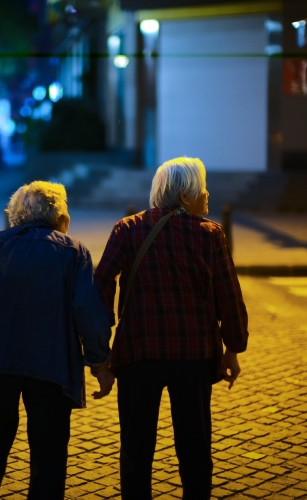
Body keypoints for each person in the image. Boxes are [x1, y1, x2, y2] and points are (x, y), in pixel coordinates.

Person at [0, 181, 114, 499]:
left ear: (15, 217)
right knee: (49, 456)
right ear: (61, 219)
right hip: (53, 367)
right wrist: (99, 364)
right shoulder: (74, 252)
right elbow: (87, 312)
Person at [94, 157, 249, 500]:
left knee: (136, 450)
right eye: (200, 188)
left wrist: (100, 353)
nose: (207, 194)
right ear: (184, 196)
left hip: (138, 353)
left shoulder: (128, 229)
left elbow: (101, 282)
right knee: (195, 448)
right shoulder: (210, 234)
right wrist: (232, 349)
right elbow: (229, 297)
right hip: (193, 357)